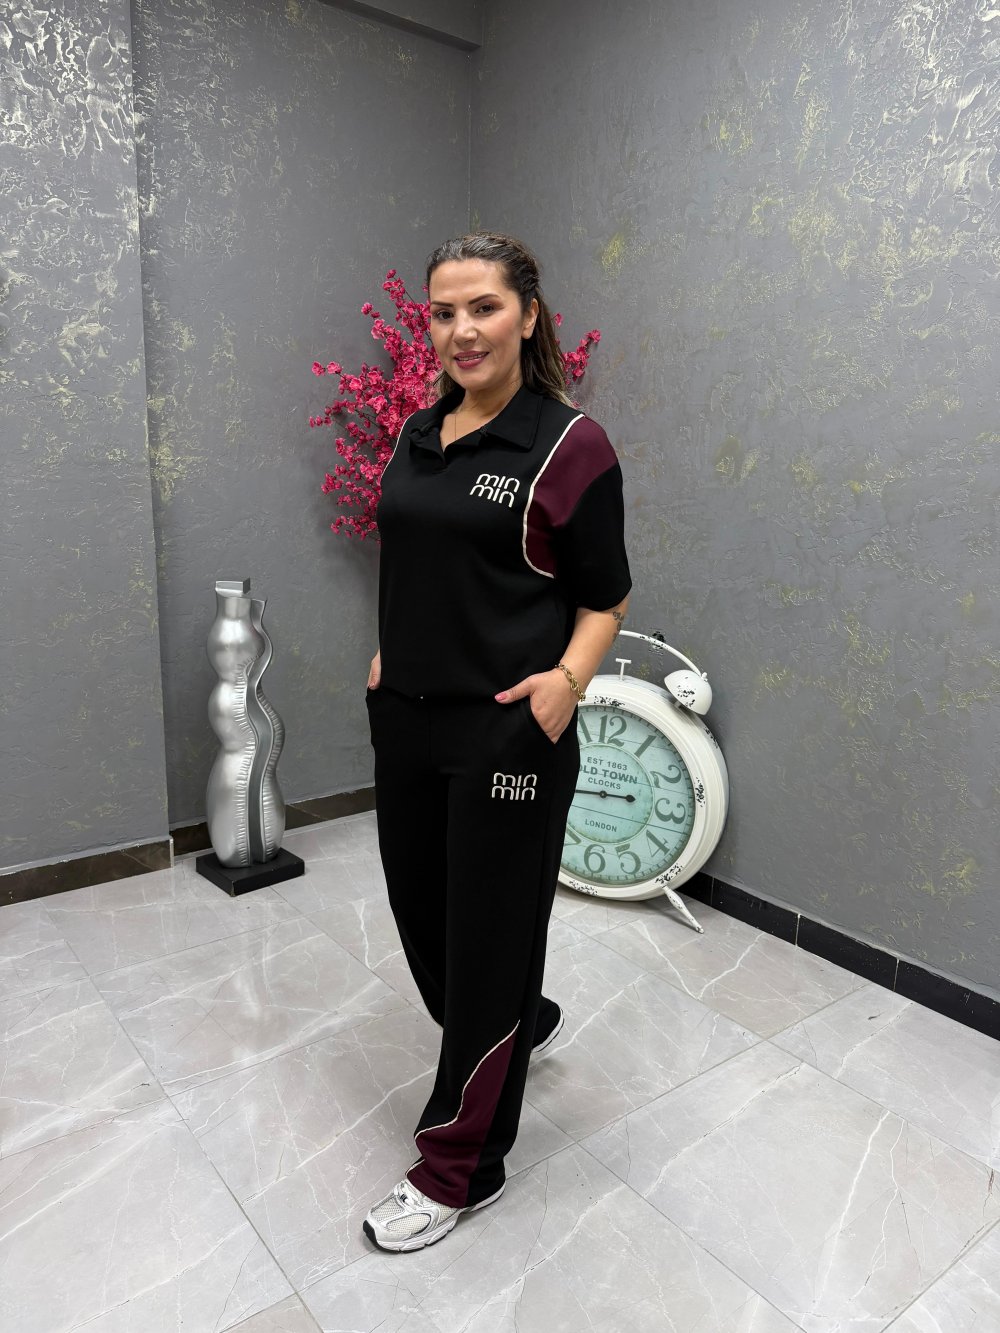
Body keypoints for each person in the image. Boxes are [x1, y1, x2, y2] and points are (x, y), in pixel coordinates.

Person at [361, 231, 631, 1252]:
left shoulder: (569, 446)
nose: (461, 330)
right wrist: (390, 652)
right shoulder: (417, 432)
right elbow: (419, 559)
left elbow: (604, 596)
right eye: (443, 312)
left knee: (484, 947)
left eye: (482, 307)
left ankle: (459, 1167)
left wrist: (565, 685)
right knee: (425, 920)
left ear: (527, 314)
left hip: (507, 734)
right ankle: (526, 1019)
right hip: (408, 720)